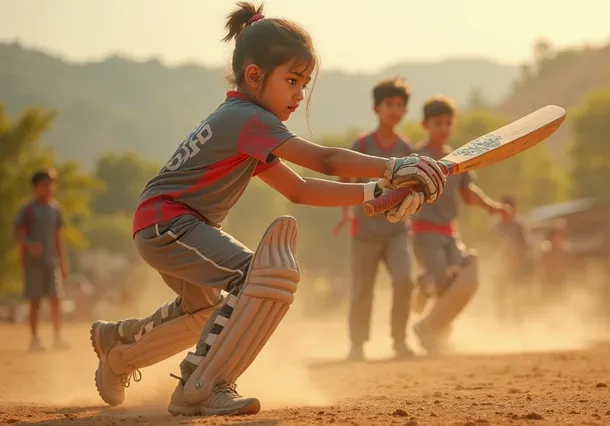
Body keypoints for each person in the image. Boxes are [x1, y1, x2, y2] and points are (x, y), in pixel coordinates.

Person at [88, 2, 447, 417]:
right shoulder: (248, 119)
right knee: (257, 278)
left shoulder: (243, 122)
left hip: (163, 225)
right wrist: (395, 167)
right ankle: (199, 386)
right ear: (254, 75)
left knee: (201, 311)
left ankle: (117, 347)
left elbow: (301, 189)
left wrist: (378, 191)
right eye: (292, 81)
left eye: (304, 84)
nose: (299, 95)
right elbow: (325, 161)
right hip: (170, 223)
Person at [410, 96, 503, 354]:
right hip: (425, 233)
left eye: (448, 123)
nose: (443, 128)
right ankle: (430, 305)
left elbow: (467, 191)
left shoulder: (457, 159)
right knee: (444, 283)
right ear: (425, 124)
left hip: (449, 232)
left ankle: (428, 298)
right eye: (437, 123)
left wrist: (491, 206)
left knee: (464, 277)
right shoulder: (417, 158)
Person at [335, 77, 417, 360]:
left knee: (405, 280)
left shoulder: (407, 150)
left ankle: (400, 341)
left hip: (397, 231)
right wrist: (346, 212)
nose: (395, 110)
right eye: (389, 104)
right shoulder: (360, 144)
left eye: (400, 105)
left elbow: (414, 189)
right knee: (362, 289)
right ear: (376, 108)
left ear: (405, 110)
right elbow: (344, 178)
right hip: (365, 231)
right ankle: (357, 345)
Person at [13, 169, 70, 351]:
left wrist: (63, 263)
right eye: (45, 184)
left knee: (56, 299)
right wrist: (30, 245)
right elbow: (18, 233)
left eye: (51, 183)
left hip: (51, 262)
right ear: (35, 187)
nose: (49, 187)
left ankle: (58, 337)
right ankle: (35, 339)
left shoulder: (55, 210)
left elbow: (58, 238)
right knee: (35, 301)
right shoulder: (28, 209)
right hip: (33, 264)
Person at [492, 195, 534, 323]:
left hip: (517, 268)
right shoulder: (497, 228)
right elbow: (491, 247)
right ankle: (502, 323)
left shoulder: (519, 227)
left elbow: (527, 246)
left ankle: (517, 323)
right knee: (501, 299)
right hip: (501, 269)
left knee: (517, 298)